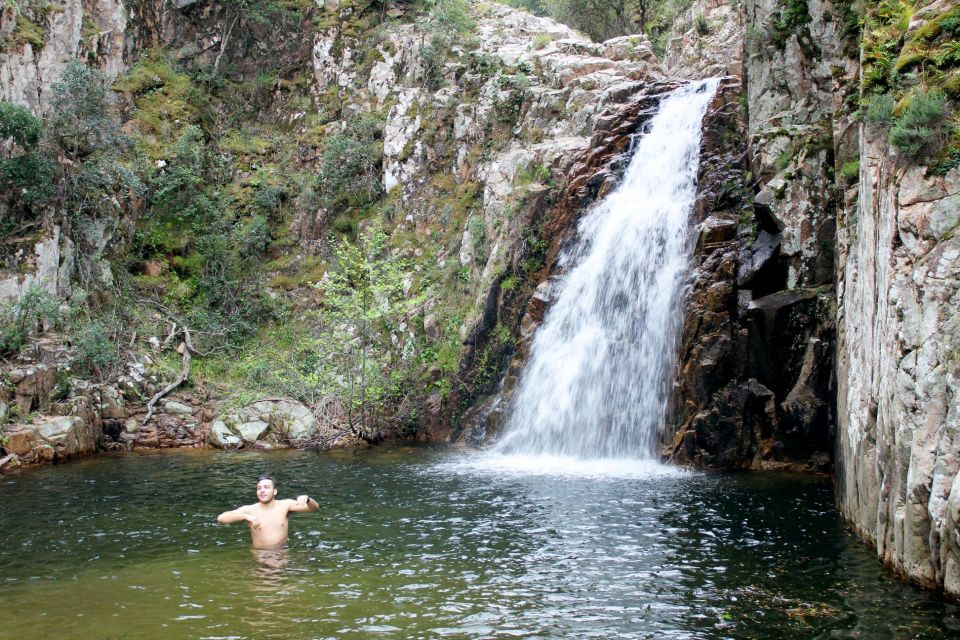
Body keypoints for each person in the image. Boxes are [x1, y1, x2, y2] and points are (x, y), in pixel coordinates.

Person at [216, 475, 319, 549]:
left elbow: (314, 508)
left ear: (275, 491)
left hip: (281, 554)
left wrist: (308, 499)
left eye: (266, 487)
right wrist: (245, 516)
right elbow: (221, 518)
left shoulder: (285, 505)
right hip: (260, 555)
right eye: (259, 488)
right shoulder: (250, 510)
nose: (262, 491)